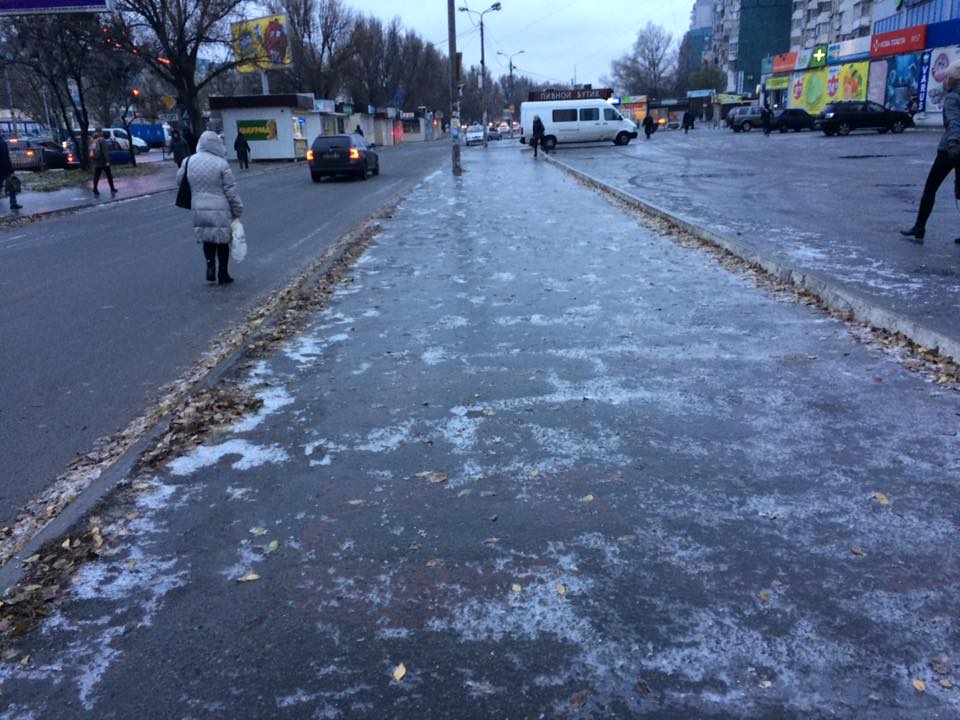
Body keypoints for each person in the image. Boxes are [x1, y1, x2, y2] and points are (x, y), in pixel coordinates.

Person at [901, 60, 960, 245]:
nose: (946, 80)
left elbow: (954, 121)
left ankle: (920, 227)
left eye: (948, 77)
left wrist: (953, 142)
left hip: (950, 150)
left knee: (931, 188)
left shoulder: (953, 97)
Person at [177, 130, 244, 284]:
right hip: (220, 208)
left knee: (207, 238)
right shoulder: (221, 163)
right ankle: (223, 273)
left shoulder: (188, 161)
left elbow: (179, 181)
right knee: (222, 241)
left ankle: (210, 266)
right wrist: (237, 209)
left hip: (198, 206)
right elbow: (230, 190)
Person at [91, 129, 118, 196]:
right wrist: (107, 161)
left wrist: (94, 159)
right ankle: (112, 188)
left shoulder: (94, 140)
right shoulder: (102, 140)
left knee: (96, 176)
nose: (102, 133)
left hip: (97, 161)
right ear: (100, 132)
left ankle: (95, 188)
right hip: (103, 161)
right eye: (102, 132)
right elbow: (105, 152)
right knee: (109, 176)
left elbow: (92, 151)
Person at [0, 132, 23, 211]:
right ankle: (13, 203)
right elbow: (6, 157)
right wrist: (11, 169)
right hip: (5, 168)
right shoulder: (3, 143)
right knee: (11, 186)